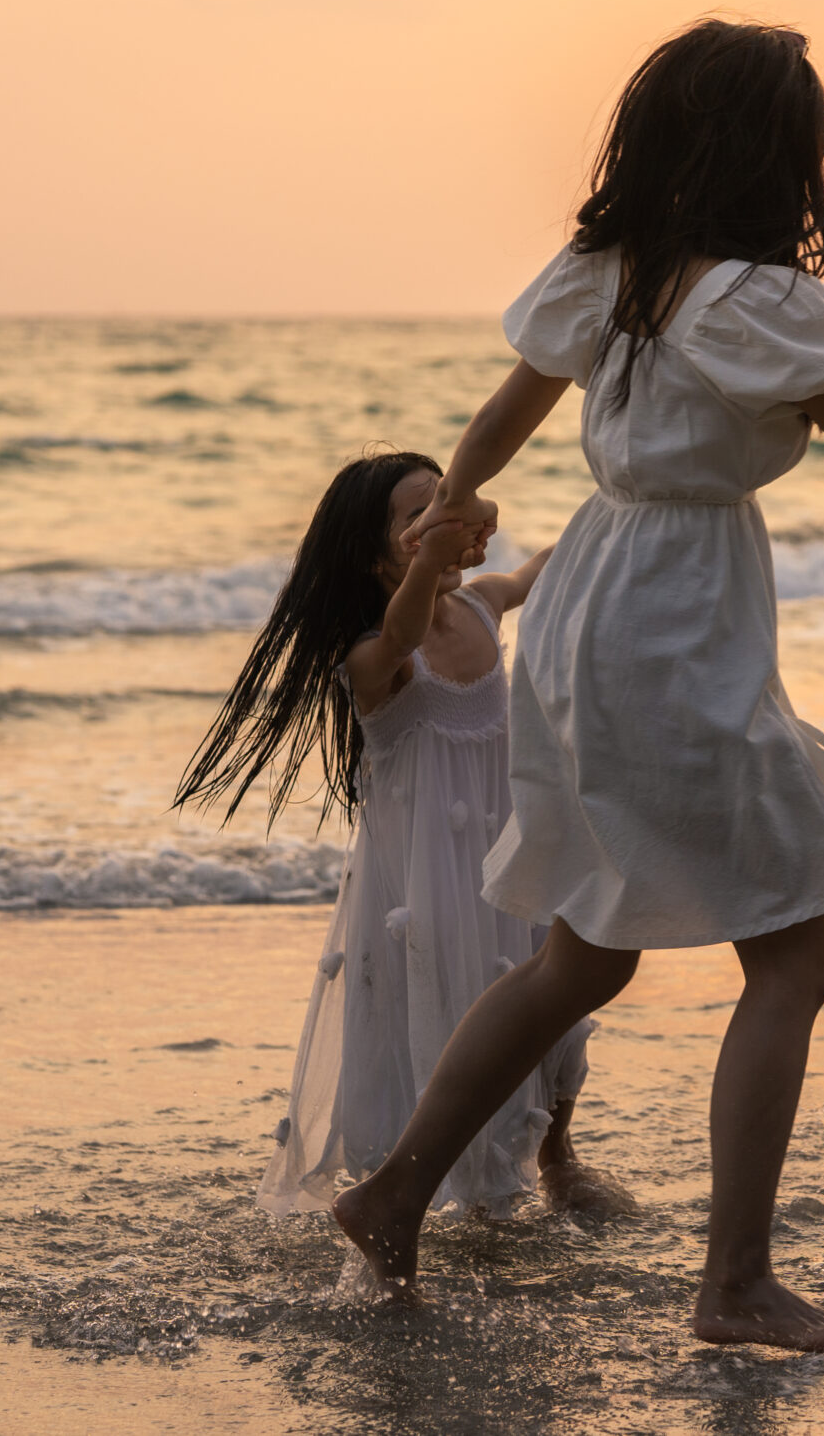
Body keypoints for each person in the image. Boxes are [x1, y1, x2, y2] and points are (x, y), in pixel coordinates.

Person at [328, 18, 824, 1352]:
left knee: (585, 948)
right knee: (795, 951)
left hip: (589, 606)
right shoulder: (764, 303)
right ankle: (733, 1281)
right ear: (779, 156)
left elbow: (502, 417)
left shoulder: (612, 271)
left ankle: (395, 1195)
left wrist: (455, 505)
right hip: (678, 619)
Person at [172, 452, 615, 1220]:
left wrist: (619, 497)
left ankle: (556, 1152)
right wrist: (437, 550)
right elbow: (406, 625)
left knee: (557, 1003)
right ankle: (457, 1191)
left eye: (446, 501)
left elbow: (541, 570)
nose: (442, 520)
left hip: (512, 854)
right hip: (426, 886)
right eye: (418, 515)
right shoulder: (373, 656)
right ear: (373, 555)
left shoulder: (481, 606)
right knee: (447, 1015)